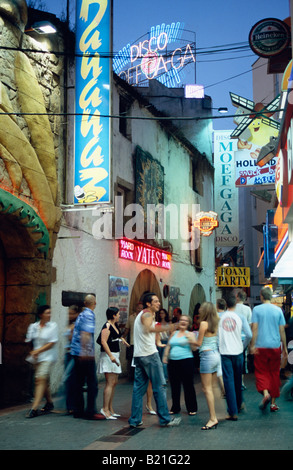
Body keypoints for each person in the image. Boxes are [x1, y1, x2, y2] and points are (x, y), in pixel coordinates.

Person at [128, 292, 181, 427]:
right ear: (148, 304)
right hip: (149, 355)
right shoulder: (146, 314)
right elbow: (148, 328)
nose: (158, 303)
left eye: (158, 301)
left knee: (138, 389)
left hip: (140, 356)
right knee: (159, 386)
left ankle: (135, 420)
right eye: (156, 301)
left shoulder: (145, 315)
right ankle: (164, 419)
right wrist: (169, 327)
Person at [250, 287, 288, 412]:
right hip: (275, 346)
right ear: (271, 296)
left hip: (261, 346)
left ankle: (266, 393)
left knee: (261, 372)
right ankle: (273, 403)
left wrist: (252, 345)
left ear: (261, 296)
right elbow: (281, 330)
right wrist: (284, 348)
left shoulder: (256, 309)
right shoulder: (278, 310)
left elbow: (254, 329)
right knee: (274, 373)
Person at [70, 294, 104, 420]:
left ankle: (78, 410)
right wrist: (86, 353)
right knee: (92, 384)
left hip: (76, 352)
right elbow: (85, 334)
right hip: (84, 354)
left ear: (85, 303)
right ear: (94, 303)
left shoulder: (81, 315)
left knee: (78, 383)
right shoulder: (89, 315)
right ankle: (90, 411)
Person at [218, 295, 252, 421]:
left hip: (225, 352)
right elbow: (249, 334)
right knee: (238, 380)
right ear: (236, 304)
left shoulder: (220, 317)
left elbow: (217, 336)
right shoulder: (241, 317)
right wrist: (243, 346)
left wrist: (219, 347)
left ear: (226, 304)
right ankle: (239, 404)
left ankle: (232, 412)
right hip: (238, 352)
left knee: (229, 382)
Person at [25, 305, 58, 418]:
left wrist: (38, 351)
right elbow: (29, 340)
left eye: (50, 313)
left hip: (48, 357)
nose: (49, 315)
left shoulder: (53, 326)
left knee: (39, 379)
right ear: (41, 314)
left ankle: (34, 408)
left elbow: (52, 342)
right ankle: (49, 403)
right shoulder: (33, 327)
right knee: (44, 381)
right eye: (47, 313)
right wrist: (32, 352)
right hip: (37, 358)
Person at [163, 315, 198, 416]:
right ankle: (175, 407)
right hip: (173, 362)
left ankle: (192, 408)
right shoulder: (174, 333)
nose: (183, 322)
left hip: (186, 361)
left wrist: (190, 340)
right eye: (181, 320)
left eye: (185, 321)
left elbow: (194, 349)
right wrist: (165, 357)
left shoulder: (190, 334)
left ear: (188, 323)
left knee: (188, 385)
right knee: (174, 385)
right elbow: (169, 345)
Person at [99, 307, 129, 419]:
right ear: (113, 315)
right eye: (118, 314)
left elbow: (118, 336)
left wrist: (124, 341)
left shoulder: (115, 325)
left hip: (115, 355)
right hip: (108, 356)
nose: (119, 316)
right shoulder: (107, 326)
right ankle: (105, 409)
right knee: (110, 382)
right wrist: (111, 356)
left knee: (114, 382)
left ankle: (110, 408)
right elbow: (103, 341)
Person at [194, 302, 221, 430]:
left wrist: (189, 339)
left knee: (207, 389)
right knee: (213, 387)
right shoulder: (216, 322)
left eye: (201, 309)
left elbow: (199, 343)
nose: (199, 310)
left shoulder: (203, 324)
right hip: (216, 355)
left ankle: (212, 418)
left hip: (206, 356)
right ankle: (216, 415)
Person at [62, 305, 80, 414]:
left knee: (70, 379)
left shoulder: (76, 325)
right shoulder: (70, 325)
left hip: (74, 355)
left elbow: (72, 338)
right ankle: (70, 406)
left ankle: (72, 405)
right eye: (69, 313)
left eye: (72, 313)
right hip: (68, 354)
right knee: (69, 381)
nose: (70, 316)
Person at [235, 290, 252, 389]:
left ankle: (235, 381)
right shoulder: (247, 309)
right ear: (244, 298)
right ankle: (241, 382)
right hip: (244, 338)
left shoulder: (233, 308)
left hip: (234, 337)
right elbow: (250, 324)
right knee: (242, 360)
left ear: (237, 297)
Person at [123, 302, 143, 381]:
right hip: (133, 342)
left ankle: (140, 376)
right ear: (136, 308)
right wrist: (123, 337)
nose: (140, 309)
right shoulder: (131, 317)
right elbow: (127, 329)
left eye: (142, 308)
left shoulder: (144, 317)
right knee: (131, 359)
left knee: (140, 360)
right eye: (139, 308)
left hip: (141, 342)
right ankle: (131, 376)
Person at [156, 308, 170, 381]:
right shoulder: (157, 323)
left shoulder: (168, 323)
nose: (161, 315)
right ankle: (160, 376)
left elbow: (170, 334)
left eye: (163, 313)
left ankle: (165, 376)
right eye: (160, 313)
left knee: (164, 360)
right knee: (159, 360)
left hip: (166, 342)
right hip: (159, 341)